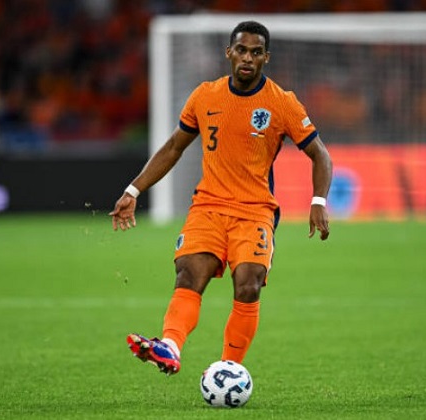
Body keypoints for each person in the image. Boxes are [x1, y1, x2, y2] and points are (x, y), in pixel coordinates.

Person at [110, 20, 332, 375]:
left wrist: (318, 202)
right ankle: (169, 347)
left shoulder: (282, 103)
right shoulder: (205, 95)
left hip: (255, 211)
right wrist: (133, 190)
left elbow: (320, 154)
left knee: (249, 284)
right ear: (229, 52)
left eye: (256, 52)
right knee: (188, 273)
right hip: (208, 207)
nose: (248, 58)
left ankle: (228, 369)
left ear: (266, 58)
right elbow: (173, 147)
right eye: (241, 50)